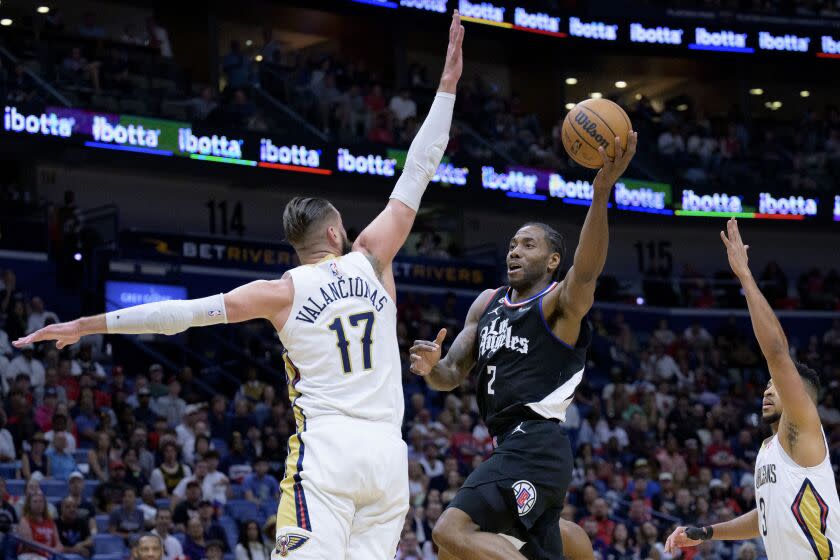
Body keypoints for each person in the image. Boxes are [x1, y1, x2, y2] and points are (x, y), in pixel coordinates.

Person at [16, 11, 465, 560]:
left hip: (329, 453)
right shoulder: (372, 257)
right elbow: (418, 169)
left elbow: (179, 315)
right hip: (389, 457)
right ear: (333, 231)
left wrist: (87, 324)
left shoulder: (282, 292)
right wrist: (446, 87)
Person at [410, 129, 637, 560]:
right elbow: (451, 374)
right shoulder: (487, 303)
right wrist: (430, 368)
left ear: (553, 261)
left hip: (535, 444)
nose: (514, 251)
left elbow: (586, 271)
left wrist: (601, 193)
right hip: (512, 445)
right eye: (512, 245)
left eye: (528, 245)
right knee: (549, 544)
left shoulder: (557, 305)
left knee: (449, 530)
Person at [665, 218, 840, 559]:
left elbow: (776, 351)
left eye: (778, 385)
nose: (767, 390)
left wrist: (744, 277)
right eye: (767, 385)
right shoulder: (770, 448)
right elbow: (767, 515)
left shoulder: (803, 425)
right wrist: (707, 532)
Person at [16, 492, 62, 559]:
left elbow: (58, 543)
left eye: (41, 501)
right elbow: (30, 544)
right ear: (29, 504)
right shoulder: (24, 521)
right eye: (35, 502)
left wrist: (57, 549)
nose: (38, 504)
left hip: (49, 554)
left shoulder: (50, 521)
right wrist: (50, 551)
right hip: (30, 555)